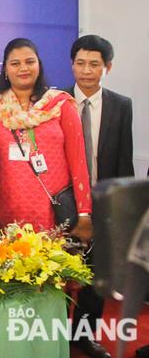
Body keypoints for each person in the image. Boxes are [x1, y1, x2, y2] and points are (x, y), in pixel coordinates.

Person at [0, 38, 93, 243]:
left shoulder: (60, 105)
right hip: (4, 212)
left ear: (39, 64)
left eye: (30, 61)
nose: (23, 68)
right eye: (15, 63)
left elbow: (78, 161)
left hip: (53, 211)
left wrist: (84, 213)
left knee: (53, 272)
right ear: (5, 69)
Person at [66, 35, 134, 358]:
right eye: (80, 63)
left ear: (108, 67)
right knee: (58, 272)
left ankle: (83, 336)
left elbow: (124, 159)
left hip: (103, 203)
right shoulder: (54, 102)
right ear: (71, 65)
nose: (86, 71)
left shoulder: (122, 106)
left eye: (94, 64)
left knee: (96, 276)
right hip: (62, 205)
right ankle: (48, 335)